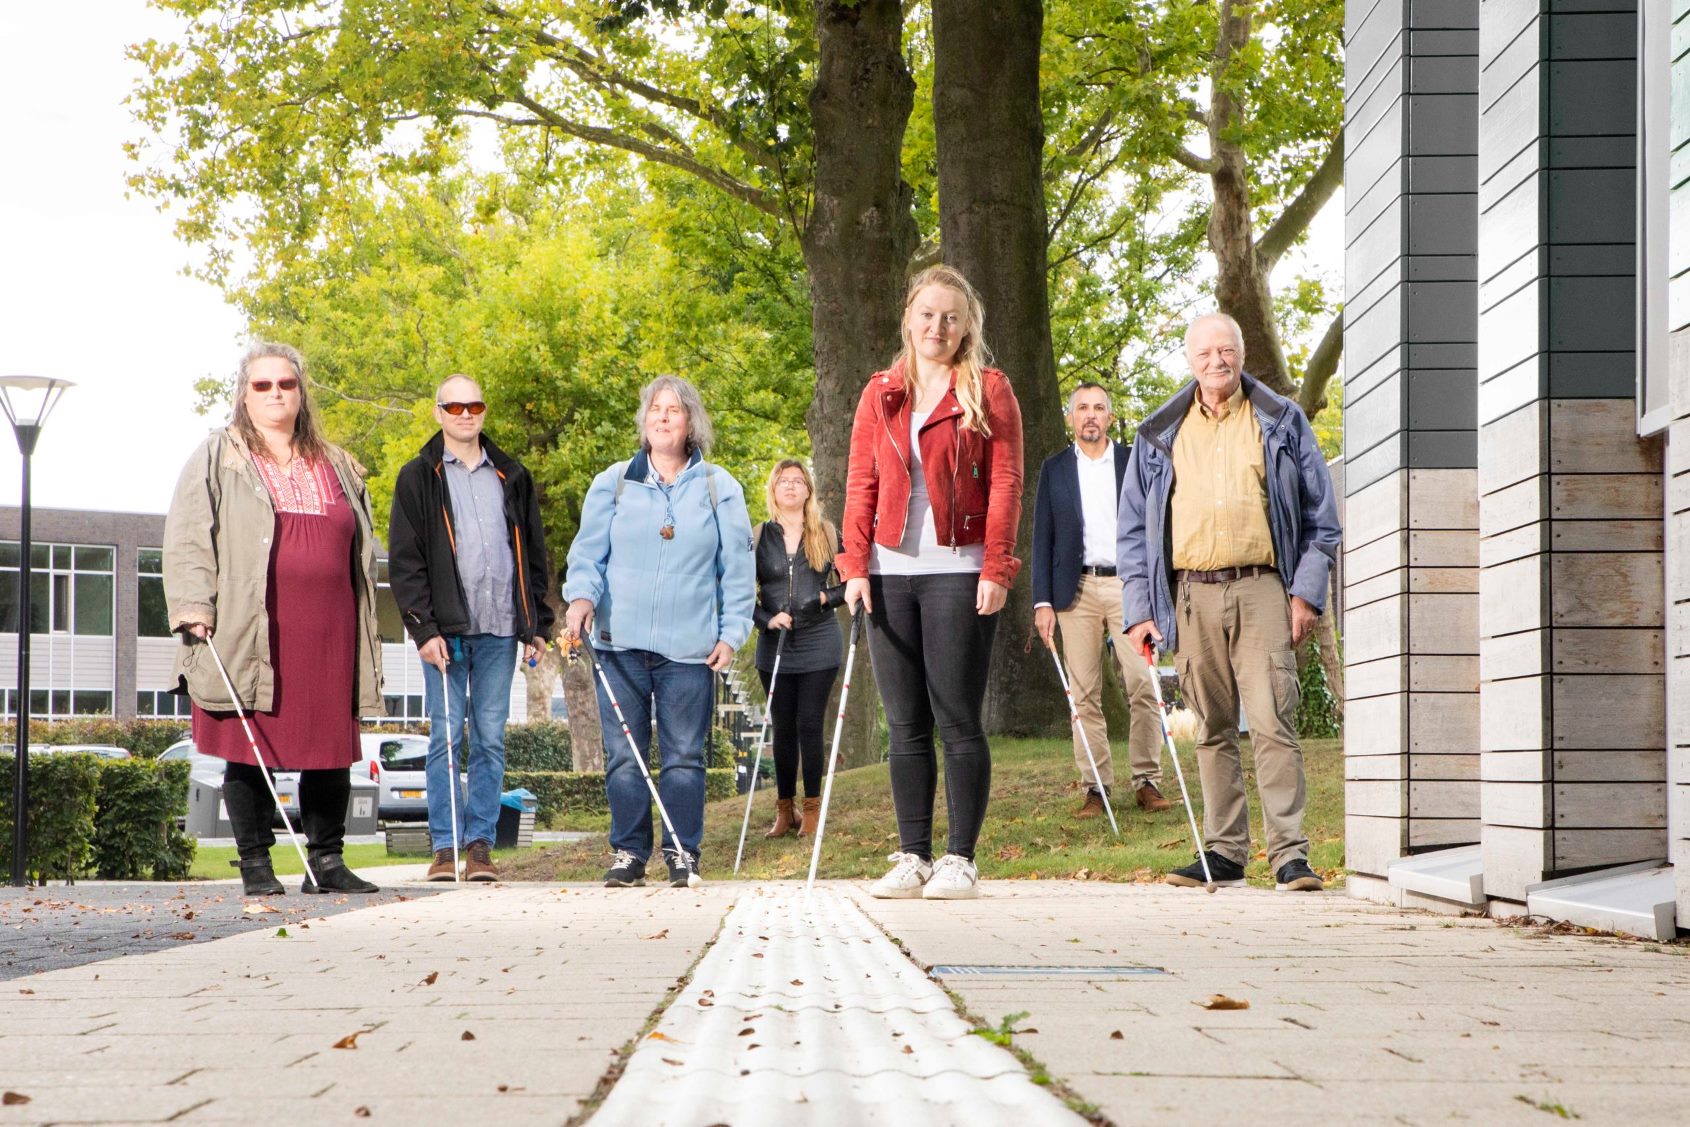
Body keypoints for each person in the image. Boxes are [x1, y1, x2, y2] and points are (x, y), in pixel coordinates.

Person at [1118, 312, 1340, 892]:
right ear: (1189, 362)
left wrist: (1305, 593)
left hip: (1264, 586)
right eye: (1205, 353)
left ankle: (1290, 856)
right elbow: (1134, 536)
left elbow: (1322, 520)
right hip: (1191, 594)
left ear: (1241, 353)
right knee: (1212, 727)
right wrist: (1141, 609)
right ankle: (1224, 853)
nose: (1217, 361)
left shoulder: (1282, 421)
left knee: (1271, 721)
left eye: (1227, 350)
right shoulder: (1157, 434)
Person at [163, 342, 384, 897]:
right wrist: (193, 606)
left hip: (331, 627)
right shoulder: (219, 456)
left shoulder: (336, 462)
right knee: (250, 743)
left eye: (285, 384)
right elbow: (189, 534)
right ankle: (256, 866)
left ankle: (326, 863)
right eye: (262, 386)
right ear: (244, 394)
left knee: (330, 744)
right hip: (250, 625)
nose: (275, 394)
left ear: (301, 392)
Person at [840, 264, 1024, 901]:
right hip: (892, 574)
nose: (936, 327)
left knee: (957, 719)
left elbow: (1005, 485)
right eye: (926, 314)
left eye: (950, 316)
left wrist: (997, 568)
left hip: (960, 569)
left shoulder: (990, 390)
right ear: (908, 319)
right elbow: (860, 482)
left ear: (966, 324)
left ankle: (959, 858)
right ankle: (913, 853)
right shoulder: (880, 393)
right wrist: (854, 566)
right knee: (904, 724)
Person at [562, 375, 755, 888]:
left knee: (684, 757)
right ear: (644, 421)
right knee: (625, 755)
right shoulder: (613, 482)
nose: (663, 416)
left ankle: (682, 852)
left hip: (690, 650)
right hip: (618, 646)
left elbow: (736, 570)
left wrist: (732, 633)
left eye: (674, 409)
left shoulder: (720, 487)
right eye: (655, 409)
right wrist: (580, 599)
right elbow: (587, 556)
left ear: (691, 422)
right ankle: (629, 853)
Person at [387, 374, 554, 883]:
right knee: (443, 737)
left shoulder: (512, 475)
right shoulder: (419, 477)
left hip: (502, 628)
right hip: (446, 633)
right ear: (438, 412)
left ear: (483, 412)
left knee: (488, 738)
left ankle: (480, 846)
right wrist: (423, 629)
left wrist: (537, 623)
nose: (465, 414)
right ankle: (443, 848)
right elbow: (406, 561)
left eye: (474, 405)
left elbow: (535, 556)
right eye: (454, 406)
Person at [1032, 382, 1171, 819]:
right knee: (1084, 693)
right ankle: (1096, 786)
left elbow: (1156, 526)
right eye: (1082, 408)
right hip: (1074, 591)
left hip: (1128, 587)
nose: (1090, 415)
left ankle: (1147, 780)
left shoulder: (1133, 462)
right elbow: (1042, 539)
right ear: (1070, 417)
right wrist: (1041, 602)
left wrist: (1155, 584)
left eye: (1098, 408)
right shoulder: (1054, 470)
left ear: (1110, 416)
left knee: (1143, 685)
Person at [751, 459, 844, 839]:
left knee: (810, 724)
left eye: (798, 481)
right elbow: (741, 593)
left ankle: (812, 810)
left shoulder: (826, 532)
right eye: (783, 481)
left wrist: (823, 597)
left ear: (808, 490)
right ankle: (783, 810)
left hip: (819, 641)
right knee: (782, 729)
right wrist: (767, 619)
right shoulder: (757, 535)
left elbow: (851, 585)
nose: (791, 487)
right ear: (774, 491)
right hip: (775, 644)